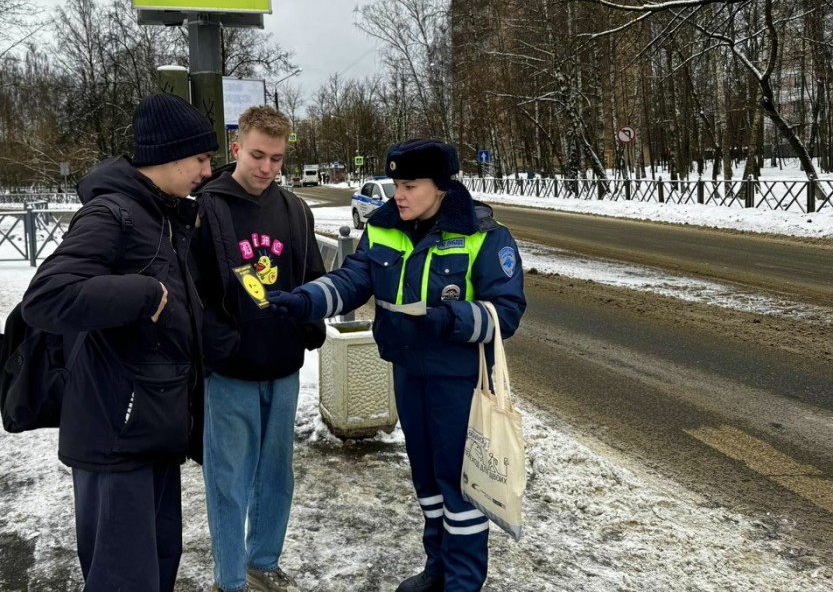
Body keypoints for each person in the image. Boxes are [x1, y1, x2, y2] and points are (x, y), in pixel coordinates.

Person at [269, 139, 526, 592]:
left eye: (409, 185)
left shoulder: (483, 233)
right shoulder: (384, 227)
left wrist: (449, 319)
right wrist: (305, 300)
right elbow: (353, 279)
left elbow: (506, 312)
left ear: (441, 186)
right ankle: (438, 568)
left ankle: (463, 582)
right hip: (408, 372)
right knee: (426, 478)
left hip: (459, 380)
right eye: (397, 185)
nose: (398, 195)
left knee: (460, 485)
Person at [21, 93, 219, 592]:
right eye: (201, 158)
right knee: (124, 579)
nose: (207, 169)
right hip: (116, 436)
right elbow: (47, 298)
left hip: (151, 430)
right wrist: (142, 291)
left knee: (154, 568)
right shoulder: (113, 214)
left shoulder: (161, 213)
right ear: (170, 157)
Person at [191, 106, 326, 592]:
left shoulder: (294, 209)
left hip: (282, 367)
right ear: (235, 148)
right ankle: (230, 579)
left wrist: (311, 324)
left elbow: (311, 277)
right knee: (228, 481)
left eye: (276, 158)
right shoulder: (205, 207)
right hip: (229, 373)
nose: (266, 167)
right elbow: (191, 289)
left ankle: (262, 561)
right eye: (257, 155)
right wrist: (217, 342)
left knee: (276, 476)